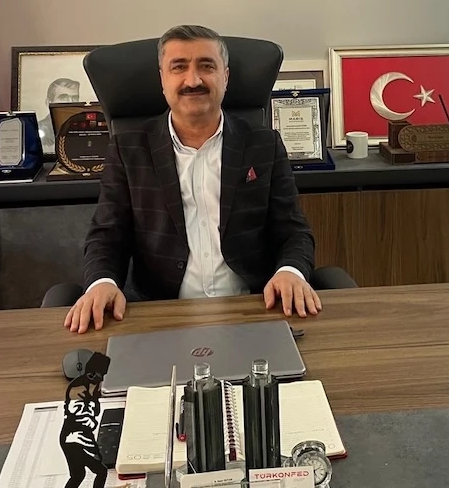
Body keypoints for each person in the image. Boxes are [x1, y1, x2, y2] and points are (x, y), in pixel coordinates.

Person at [63, 25, 321, 334]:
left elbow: (293, 231)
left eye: (206, 66)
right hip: (160, 316)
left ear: (225, 77)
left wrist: (290, 271)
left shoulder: (263, 144)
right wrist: (102, 282)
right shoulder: (129, 150)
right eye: (179, 67)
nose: (193, 80)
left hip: (253, 309)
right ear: (162, 79)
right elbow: (107, 235)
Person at [60, 351, 110, 488]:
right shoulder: (77, 388)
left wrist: (94, 400)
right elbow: (83, 419)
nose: (101, 379)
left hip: (80, 435)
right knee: (82, 474)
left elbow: (94, 413)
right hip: (73, 438)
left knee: (91, 473)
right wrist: (95, 450)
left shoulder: (92, 389)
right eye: (100, 375)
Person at [37, 77, 81, 153]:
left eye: (74, 98)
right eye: (63, 97)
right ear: (48, 102)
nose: (70, 102)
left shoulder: (82, 127)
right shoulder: (38, 129)